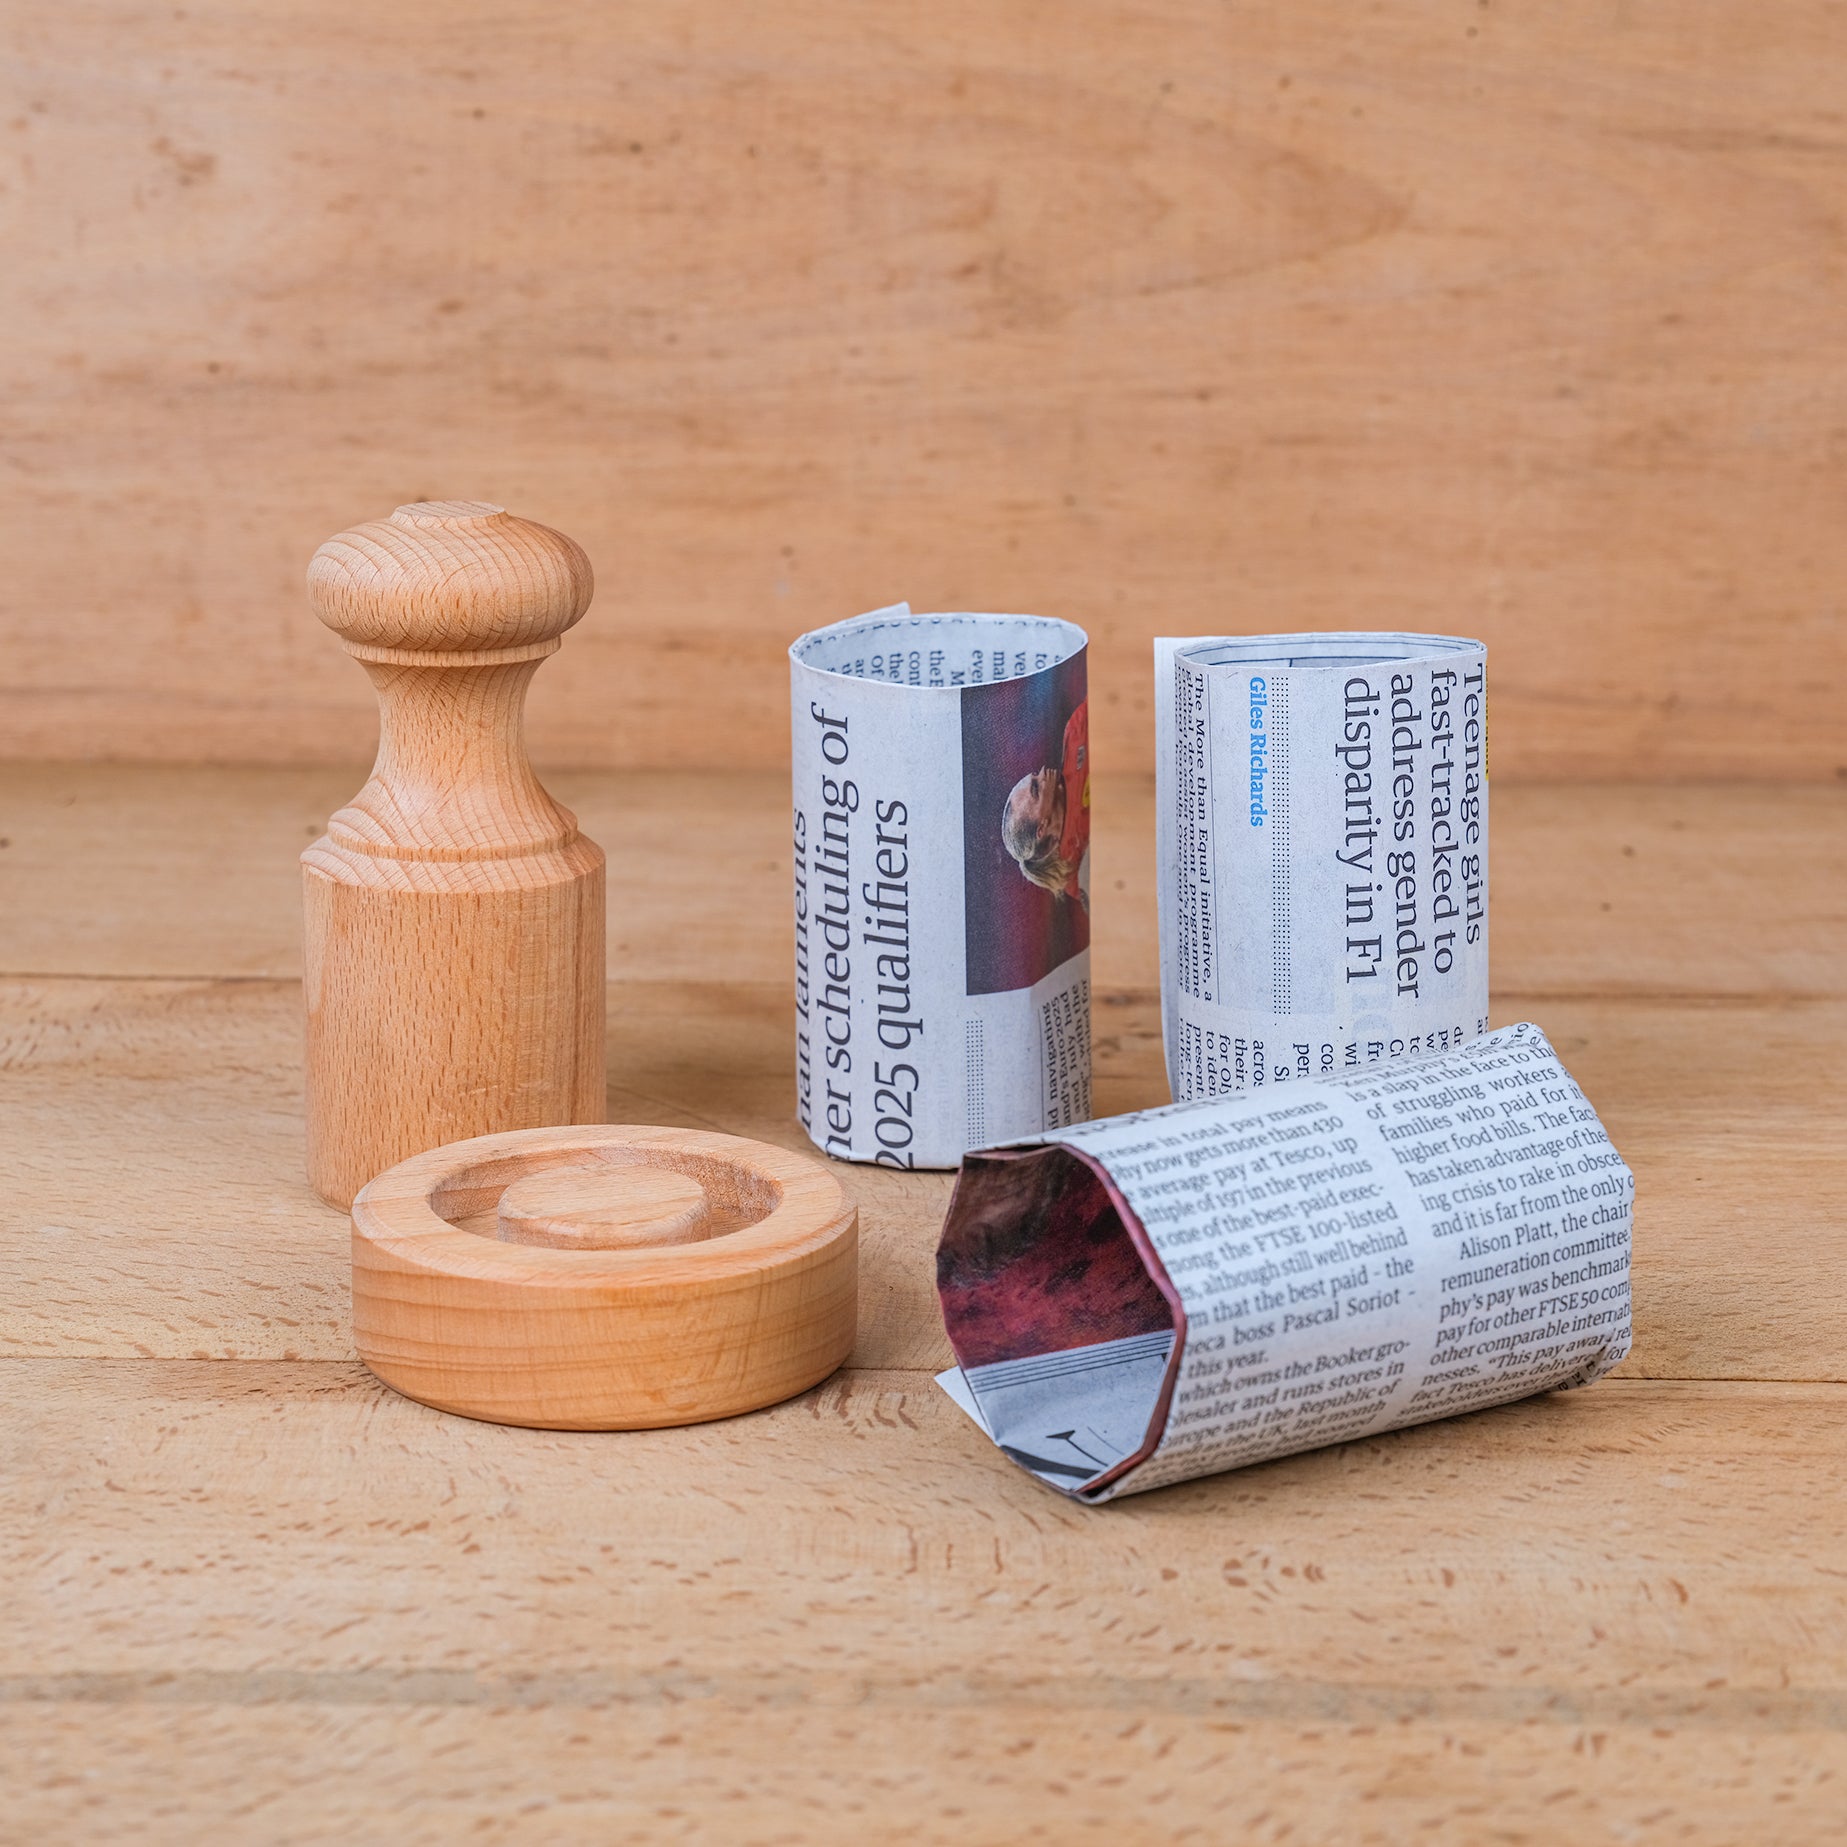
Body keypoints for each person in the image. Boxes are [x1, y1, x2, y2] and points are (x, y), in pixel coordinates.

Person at [1000, 699, 1089, 908]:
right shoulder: (1082, 876)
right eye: (1036, 789)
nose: (1042, 773)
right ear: (1041, 829)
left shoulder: (1074, 733)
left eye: (1034, 776)